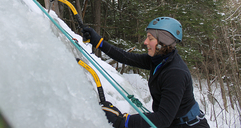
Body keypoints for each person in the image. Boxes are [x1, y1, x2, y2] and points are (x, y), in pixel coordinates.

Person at [82, 17, 210, 128]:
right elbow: (126, 57)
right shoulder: (159, 60)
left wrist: (123, 121)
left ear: (162, 43)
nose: (145, 42)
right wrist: (98, 41)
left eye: (150, 38)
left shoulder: (175, 73)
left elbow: (163, 118)